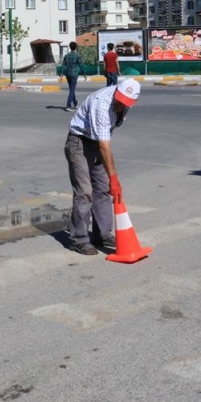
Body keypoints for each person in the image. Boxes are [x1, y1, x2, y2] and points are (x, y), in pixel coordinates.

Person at [64, 77, 141, 256]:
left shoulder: (124, 102)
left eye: (126, 103)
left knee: (103, 189)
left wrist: (110, 181)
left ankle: (103, 234)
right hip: (79, 143)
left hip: (97, 142)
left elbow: (104, 141)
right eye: (119, 101)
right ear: (116, 92)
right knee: (84, 192)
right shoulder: (102, 104)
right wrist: (115, 178)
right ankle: (79, 239)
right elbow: (104, 145)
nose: (121, 105)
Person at [59, 41, 84, 111]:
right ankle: (68, 106)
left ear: (70, 47)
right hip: (74, 74)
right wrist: (84, 73)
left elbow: (63, 65)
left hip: (68, 74)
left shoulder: (66, 56)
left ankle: (75, 103)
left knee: (71, 89)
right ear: (75, 47)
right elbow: (81, 65)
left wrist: (61, 75)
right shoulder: (77, 56)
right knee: (72, 90)